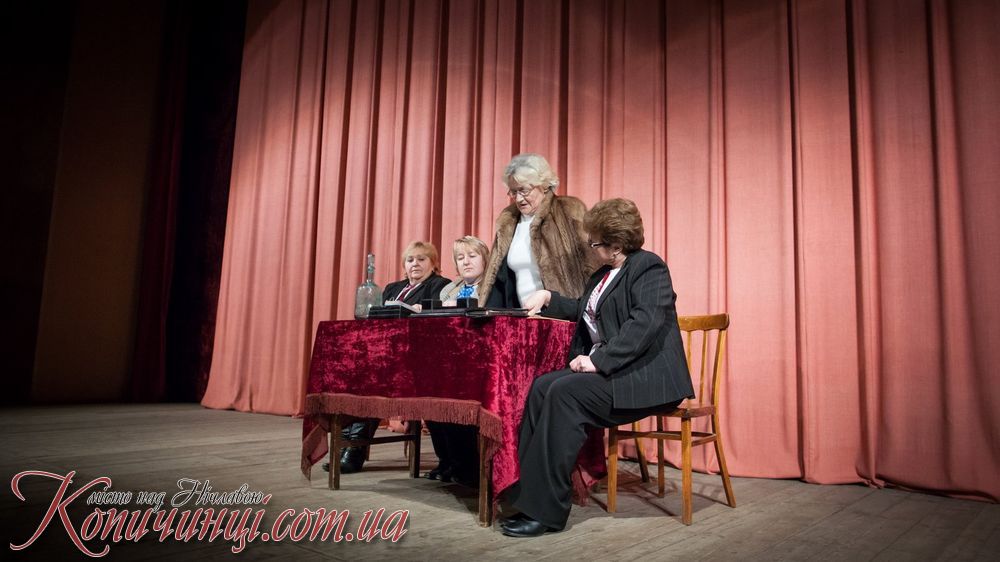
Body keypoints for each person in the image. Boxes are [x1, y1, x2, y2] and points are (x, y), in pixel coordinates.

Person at [498, 198, 694, 537]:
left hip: (643, 378)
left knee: (565, 394)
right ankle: (528, 496)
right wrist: (549, 297)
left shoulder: (649, 267)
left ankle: (547, 513)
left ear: (616, 245)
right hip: (616, 373)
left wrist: (598, 360)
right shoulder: (603, 274)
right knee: (542, 386)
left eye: (595, 243)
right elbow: (584, 309)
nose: (590, 248)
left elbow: (644, 323)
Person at [335, 241, 450, 474]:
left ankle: (354, 450)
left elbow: (437, 322)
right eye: (410, 260)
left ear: (433, 263)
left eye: (421, 259)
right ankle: (347, 443)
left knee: (374, 376)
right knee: (353, 371)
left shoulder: (440, 285)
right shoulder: (391, 288)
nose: (415, 264)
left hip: (415, 359)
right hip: (385, 354)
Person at [479, 153, 593, 308]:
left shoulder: (569, 211)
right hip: (522, 316)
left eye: (524, 190)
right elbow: (498, 281)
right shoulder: (508, 221)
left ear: (544, 186)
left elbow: (592, 265)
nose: (518, 198)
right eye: (513, 192)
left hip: (563, 313)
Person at [423, 236, 491, 486]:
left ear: (485, 259)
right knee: (429, 395)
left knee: (457, 397)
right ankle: (448, 460)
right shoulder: (448, 289)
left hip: (479, 361)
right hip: (449, 360)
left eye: (472, 256)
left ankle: (468, 467)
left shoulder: (493, 288)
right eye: (460, 258)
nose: (466, 262)